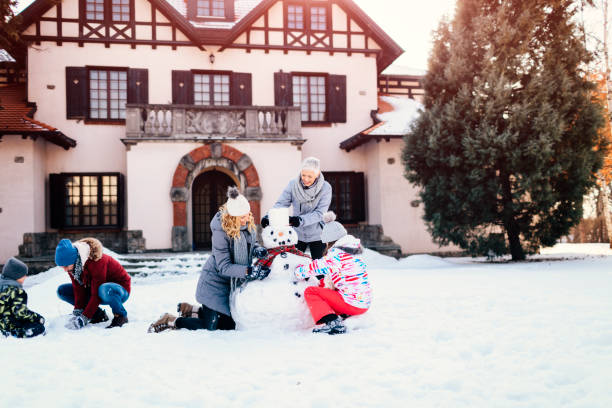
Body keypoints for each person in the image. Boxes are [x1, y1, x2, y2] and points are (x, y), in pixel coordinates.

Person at [148, 186, 270, 333]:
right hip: (214, 284)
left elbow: (250, 243)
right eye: (242, 216)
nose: (247, 218)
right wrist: (250, 271)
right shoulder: (221, 232)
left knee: (228, 325)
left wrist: (258, 250)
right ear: (232, 217)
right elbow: (224, 267)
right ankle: (171, 320)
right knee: (209, 326)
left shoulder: (247, 225)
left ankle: (191, 310)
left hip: (229, 284)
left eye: (247, 214)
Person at [293, 211, 371, 335]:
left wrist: (298, 271)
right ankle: (340, 314)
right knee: (324, 283)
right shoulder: (353, 251)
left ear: (329, 241)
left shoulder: (336, 256)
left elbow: (314, 268)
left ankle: (332, 322)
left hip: (353, 304)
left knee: (311, 291)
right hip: (363, 303)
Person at [261, 156, 332, 259]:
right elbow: (281, 203)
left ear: (317, 175)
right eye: (303, 175)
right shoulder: (293, 184)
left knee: (320, 269)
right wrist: (269, 216)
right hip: (297, 234)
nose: (306, 179)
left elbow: (320, 213)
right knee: (295, 266)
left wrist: (299, 220)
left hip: (318, 234)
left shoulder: (325, 188)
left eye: (310, 176)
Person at [55, 237, 131, 329]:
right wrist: (78, 312)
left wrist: (85, 317)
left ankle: (121, 316)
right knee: (62, 291)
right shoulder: (74, 266)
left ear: (74, 259)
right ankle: (98, 315)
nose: (65, 270)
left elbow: (96, 294)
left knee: (104, 289)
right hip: (97, 289)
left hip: (118, 290)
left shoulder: (97, 260)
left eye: (66, 266)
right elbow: (78, 289)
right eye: (62, 267)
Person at [0, 257, 46, 338]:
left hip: (2, 324)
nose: (25, 277)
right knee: (39, 327)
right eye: (23, 275)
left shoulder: (2, 287)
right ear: (15, 276)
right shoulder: (17, 292)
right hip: (11, 325)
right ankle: (17, 333)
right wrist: (37, 317)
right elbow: (20, 312)